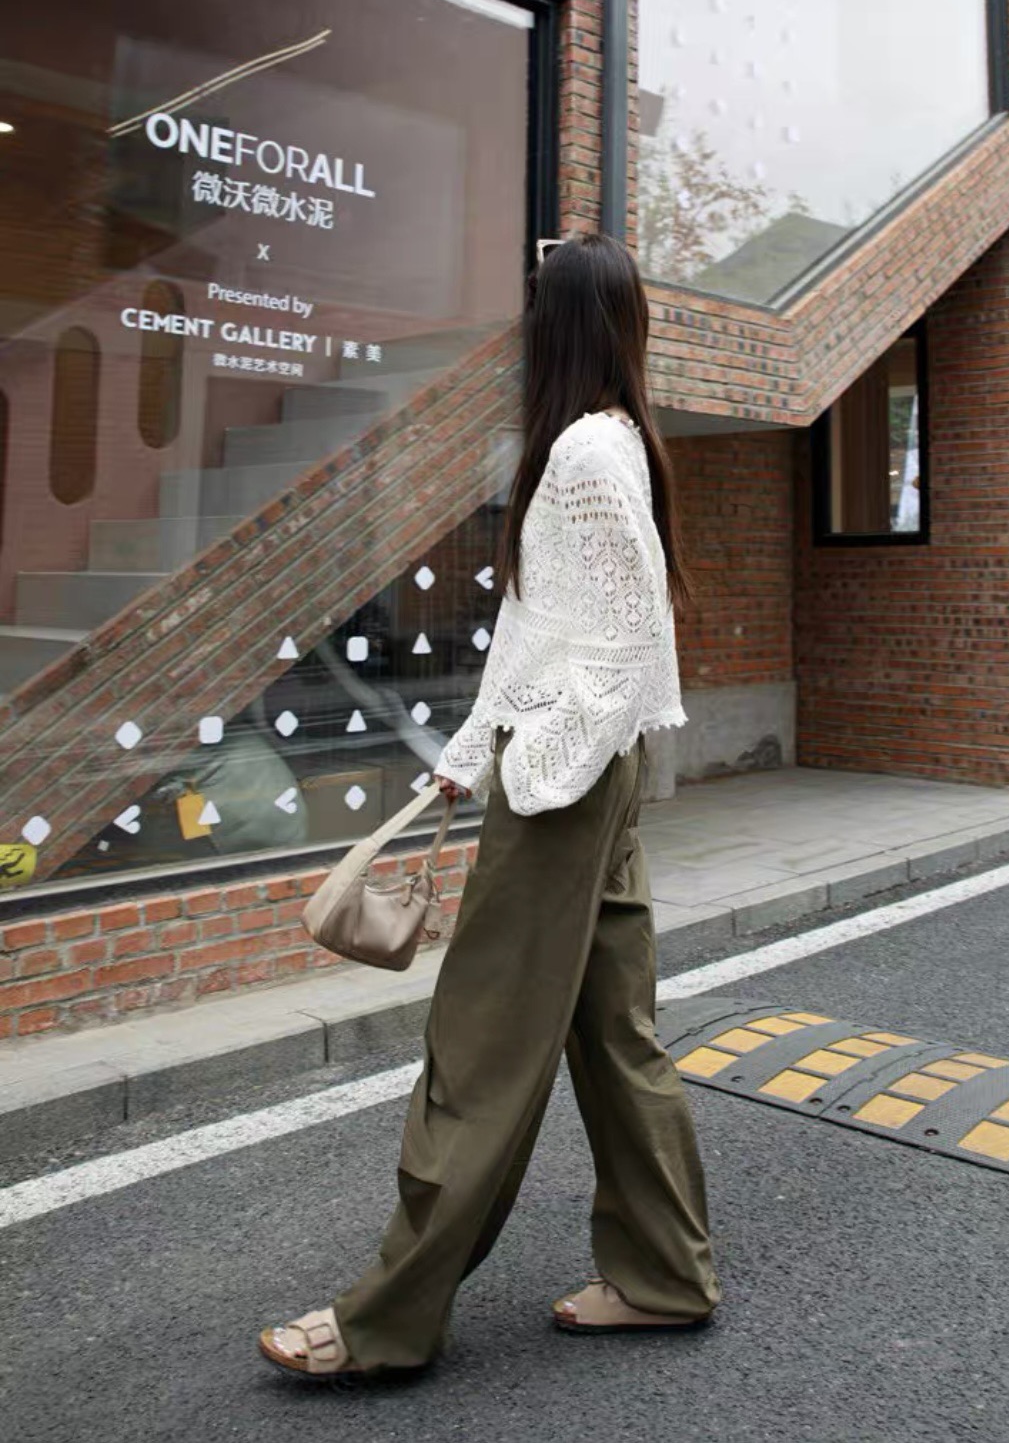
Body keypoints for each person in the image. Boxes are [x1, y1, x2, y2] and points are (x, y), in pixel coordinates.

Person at [258, 232, 723, 1379]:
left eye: (532, 304)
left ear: (556, 324)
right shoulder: (611, 439)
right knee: (614, 1031)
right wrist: (477, 748)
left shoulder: (585, 450)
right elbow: (548, 629)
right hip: (581, 767)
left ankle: (385, 1320)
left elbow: (626, 636)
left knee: (481, 1041)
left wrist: (540, 762)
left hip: (565, 777)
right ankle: (664, 1273)